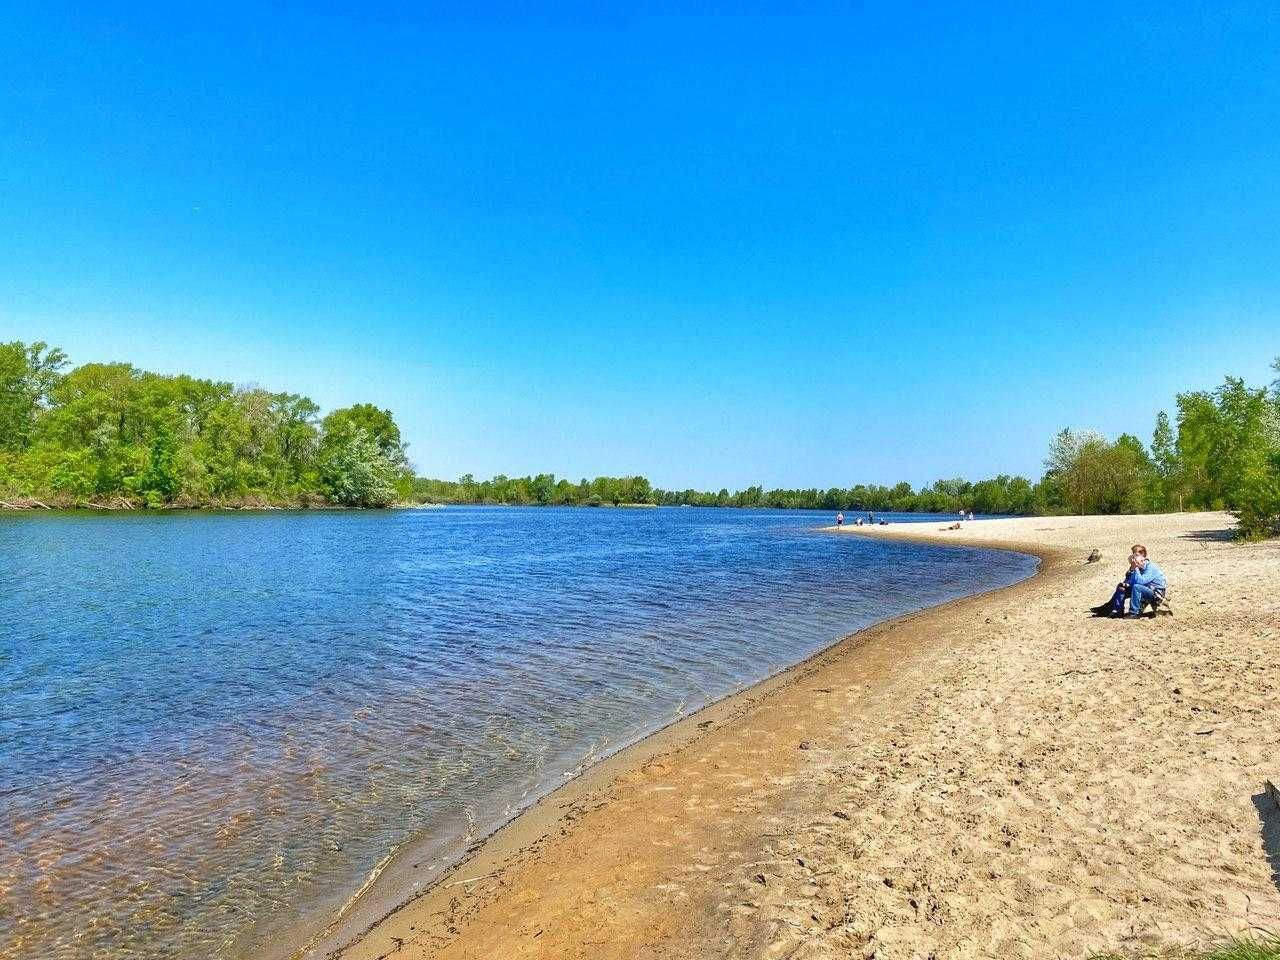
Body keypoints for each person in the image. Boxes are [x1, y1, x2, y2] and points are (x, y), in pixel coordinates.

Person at [1093, 544, 1167, 618]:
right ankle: (1118, 611)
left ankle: (1134, 613)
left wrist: (1135, 568)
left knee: (1136, 587)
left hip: (1156, 594)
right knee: (1121, 587)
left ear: (1143, 555)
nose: (1133, 557)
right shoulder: (1139, 566)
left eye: (1135, 555)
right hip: (1143, 590)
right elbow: (1129, 581)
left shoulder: (1150, 567)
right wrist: (1129, 576)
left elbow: (1140, 582)